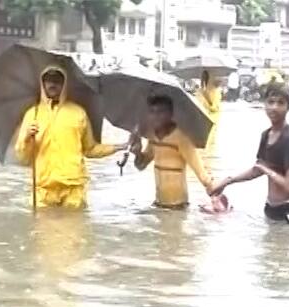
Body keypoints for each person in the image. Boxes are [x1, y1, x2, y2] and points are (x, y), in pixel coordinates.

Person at [15, 66, 127, 209]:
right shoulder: (32, 114)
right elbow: (22, 157)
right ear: (42, 84)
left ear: (64, 84)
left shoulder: (78, 113)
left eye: (57, 81)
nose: (52, 84)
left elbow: (90, 149)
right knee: (41, 230)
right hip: (43, 189)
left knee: (73, 229)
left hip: (73, 187)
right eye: (48, 80)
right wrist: (26, 138)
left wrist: (117, 147)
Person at [210, 84, 289, 224]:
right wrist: (227, 181)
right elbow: (257, 169)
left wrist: (267, 170)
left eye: (280, 103)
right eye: (270, 102)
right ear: (264, 104)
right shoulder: (266, 135)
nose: (274, 107)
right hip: (270, 208)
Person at [129, 95, 214, 209]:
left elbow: (200, 171)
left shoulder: (182, 138)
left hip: (178, 206)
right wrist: (138, 153)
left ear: (170, 114)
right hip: (159, 204)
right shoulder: (152, 137)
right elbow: (141, 166)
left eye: (161, 112)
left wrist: (213, 189)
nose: (156, 116)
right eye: (152, 112)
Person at [196, 70, 222, 148]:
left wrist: (206, 96)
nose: (203, 80)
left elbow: (214, 107)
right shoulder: (200, 91)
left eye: (204, 77)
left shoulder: (215, 91)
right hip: (202, 117)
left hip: (212, 118)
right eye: (202, 78)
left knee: (210, 141)